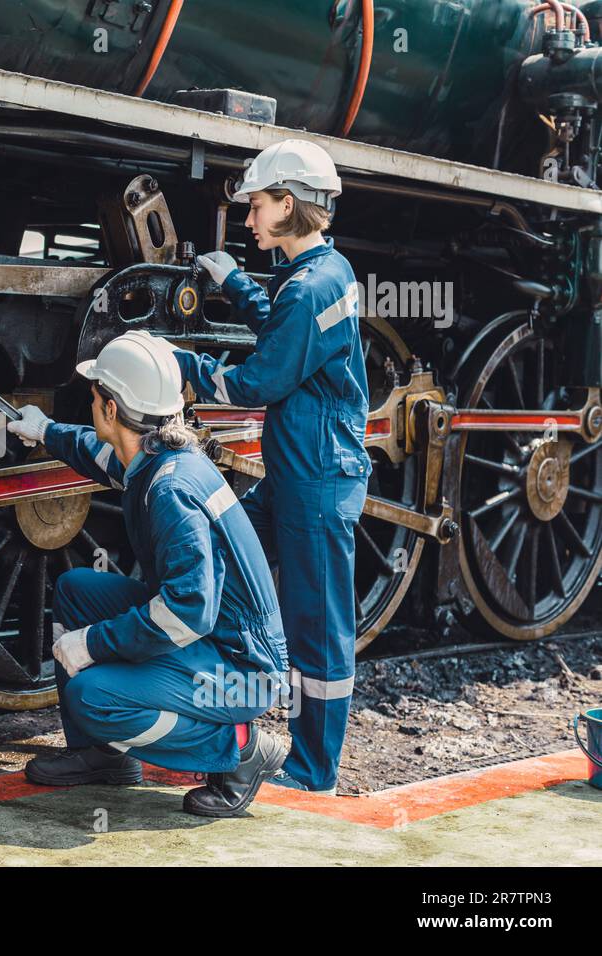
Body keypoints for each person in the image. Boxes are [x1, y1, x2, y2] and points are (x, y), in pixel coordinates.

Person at [7, 331, 289, 817]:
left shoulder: (170, 491)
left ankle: (240, 747)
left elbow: (188, 611)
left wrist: (92, 644)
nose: (91, 403)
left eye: (95, 396)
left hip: (242, 668)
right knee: (77, 590)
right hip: (216, 640)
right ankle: (103, 756)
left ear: (112, 411)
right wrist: (45, 430)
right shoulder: (155, 455)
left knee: (92, 695)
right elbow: (98, 455)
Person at [173, 139, 370, 794]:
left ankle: (315, 769)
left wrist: (176, 367)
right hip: (304, 467)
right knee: (231, 558)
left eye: (256, 207)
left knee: (317, 624)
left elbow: (260, 379)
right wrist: (233, 281)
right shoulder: (325, 271)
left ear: (288, 204)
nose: (250, 219)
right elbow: (289, 331)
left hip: (314, 479)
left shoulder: (310, 286)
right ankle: (244, 704)